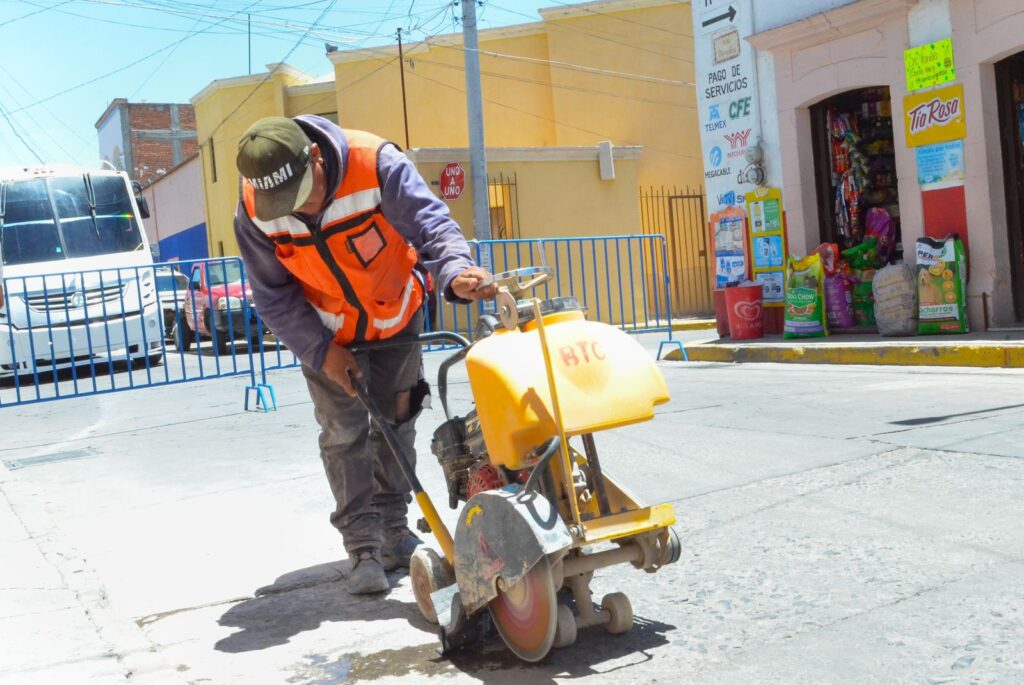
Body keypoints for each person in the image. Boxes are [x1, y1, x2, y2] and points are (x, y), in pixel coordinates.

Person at [233, 115, 496, 594]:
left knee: (398, 424)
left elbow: (430, 225)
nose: (300, 210)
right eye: (284, 204)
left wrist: (455, 270)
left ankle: (394, 529)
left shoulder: (375, 164)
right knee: (344, 433)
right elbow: (273, 295)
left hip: (396, 316)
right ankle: (362, 547)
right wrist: (321, 351)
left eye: (301, 194)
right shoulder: (255, 209)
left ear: (314, 157)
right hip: (326, 332)